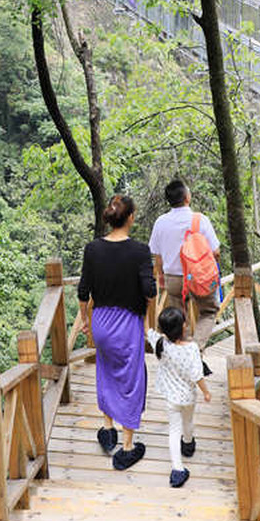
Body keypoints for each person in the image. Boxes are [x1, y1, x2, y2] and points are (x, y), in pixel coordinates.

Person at [77, 194, 155, 470]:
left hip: (101, 323)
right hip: (126, 324)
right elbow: (149, 291)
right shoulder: (140, 251)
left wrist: (86, 320)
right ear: (131, 217)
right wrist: (147, 322)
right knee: (132, 380)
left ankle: (107, 428)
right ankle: (127, 446)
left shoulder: (92, 249)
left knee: (106, 372)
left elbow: (83, 290)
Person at [148, 178, 221, 360]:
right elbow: (216, 252)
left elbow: (157, 256)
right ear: (187, 197)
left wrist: (162, 278)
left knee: (178, 319)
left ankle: (184, 351)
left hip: (173, 279)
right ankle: (195, 349)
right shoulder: (200, 220)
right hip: (198, 278)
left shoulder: (160, 222)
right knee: (209, 311)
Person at [147, 307, 211, 488]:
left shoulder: (160, 343)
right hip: (188, 397)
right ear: (183, 327)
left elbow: (147, 331)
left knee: (174, 430)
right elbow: (197, 375)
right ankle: (188, 444)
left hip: (171, 398)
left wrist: (146, 307)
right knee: (188, 422)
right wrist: (206, 392)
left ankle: (177, 469)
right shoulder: (191, 349)